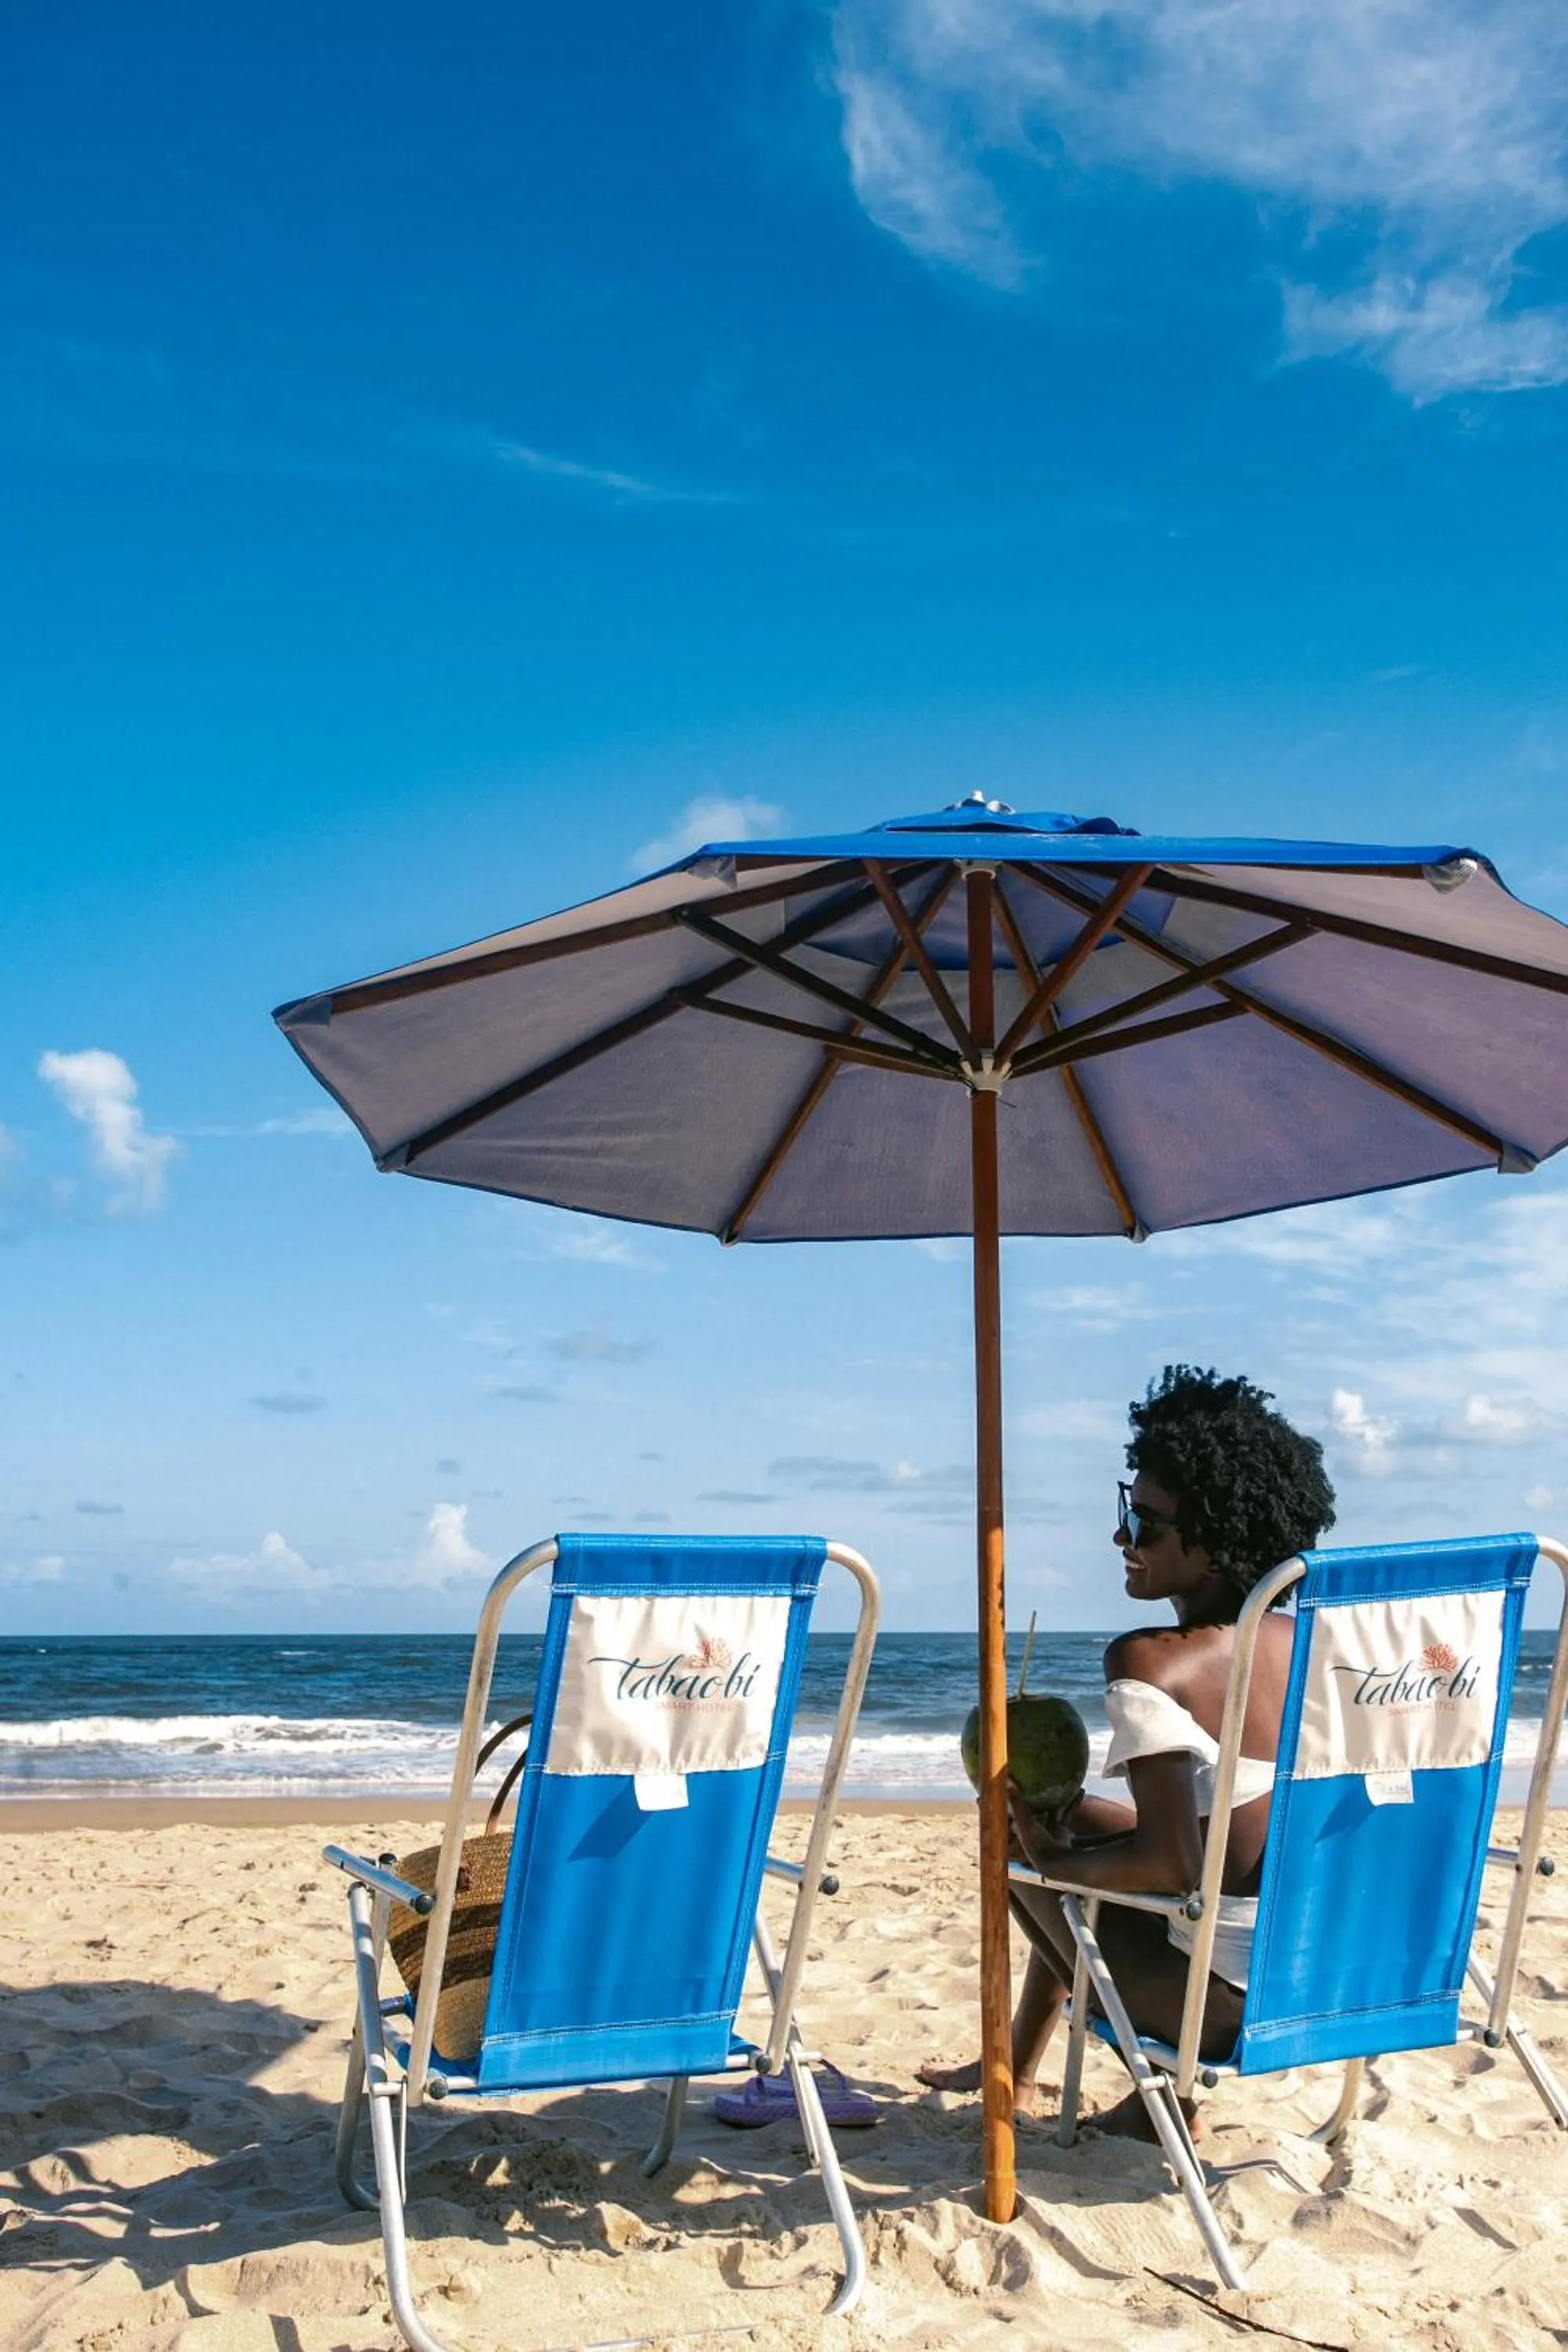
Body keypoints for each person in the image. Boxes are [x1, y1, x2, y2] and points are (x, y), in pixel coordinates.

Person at [916, 1363, 1336, 2136]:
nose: (1120, 1536)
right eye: (1125, 1507)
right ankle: (1013, 2057)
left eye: (1143, 1522)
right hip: (1324, 1979)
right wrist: (1064, 1839)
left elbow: (1169, 1863)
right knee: (1059, 1815)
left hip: (1213, 2012)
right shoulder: (1316, 1639)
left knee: (1015, 1840)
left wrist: (1056, 1865)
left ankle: (1157, 2102)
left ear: (1211, 1547)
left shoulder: (1152, 1661)